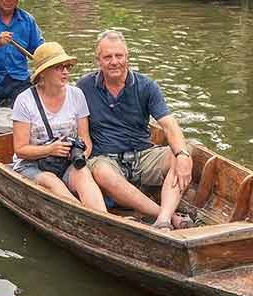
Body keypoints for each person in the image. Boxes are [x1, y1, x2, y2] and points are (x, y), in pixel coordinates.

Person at [78, 30, 194, 230]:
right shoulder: (84, 87)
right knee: (101, 171)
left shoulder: (147, 86)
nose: (114, 62)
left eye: (119, 56)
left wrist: (182, 155)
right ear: (98, 60)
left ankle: (163, 220)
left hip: (143, 155)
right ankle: (168, 216)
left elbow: (169, 124)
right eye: (107, 57)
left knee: (185, 152)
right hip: (106, 159)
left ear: (127, 57)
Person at [11, 42, 107, 212]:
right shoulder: (24, 101)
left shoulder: (76, 95)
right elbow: (20, 150)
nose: (65, 72)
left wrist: (80, 155)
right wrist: (50, 150)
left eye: (67, 67)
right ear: (43, 73)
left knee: (83, 173)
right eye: (58, 67)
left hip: (67, 161)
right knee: (50, 180)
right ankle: (85, 218)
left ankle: (104, 217)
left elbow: (86, 139)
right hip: (32, 165)